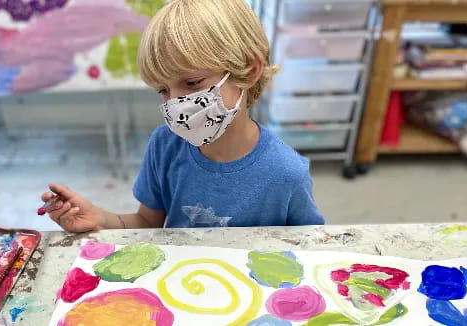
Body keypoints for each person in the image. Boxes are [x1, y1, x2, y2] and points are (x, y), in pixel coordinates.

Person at [40, 0, 324, 232]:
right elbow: (147, 223)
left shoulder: (287, 173)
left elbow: (312, 245)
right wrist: (99, 218)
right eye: (163, 90)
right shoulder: (165, 145)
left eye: (192, 83)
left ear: (249, 70)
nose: (176, 103)